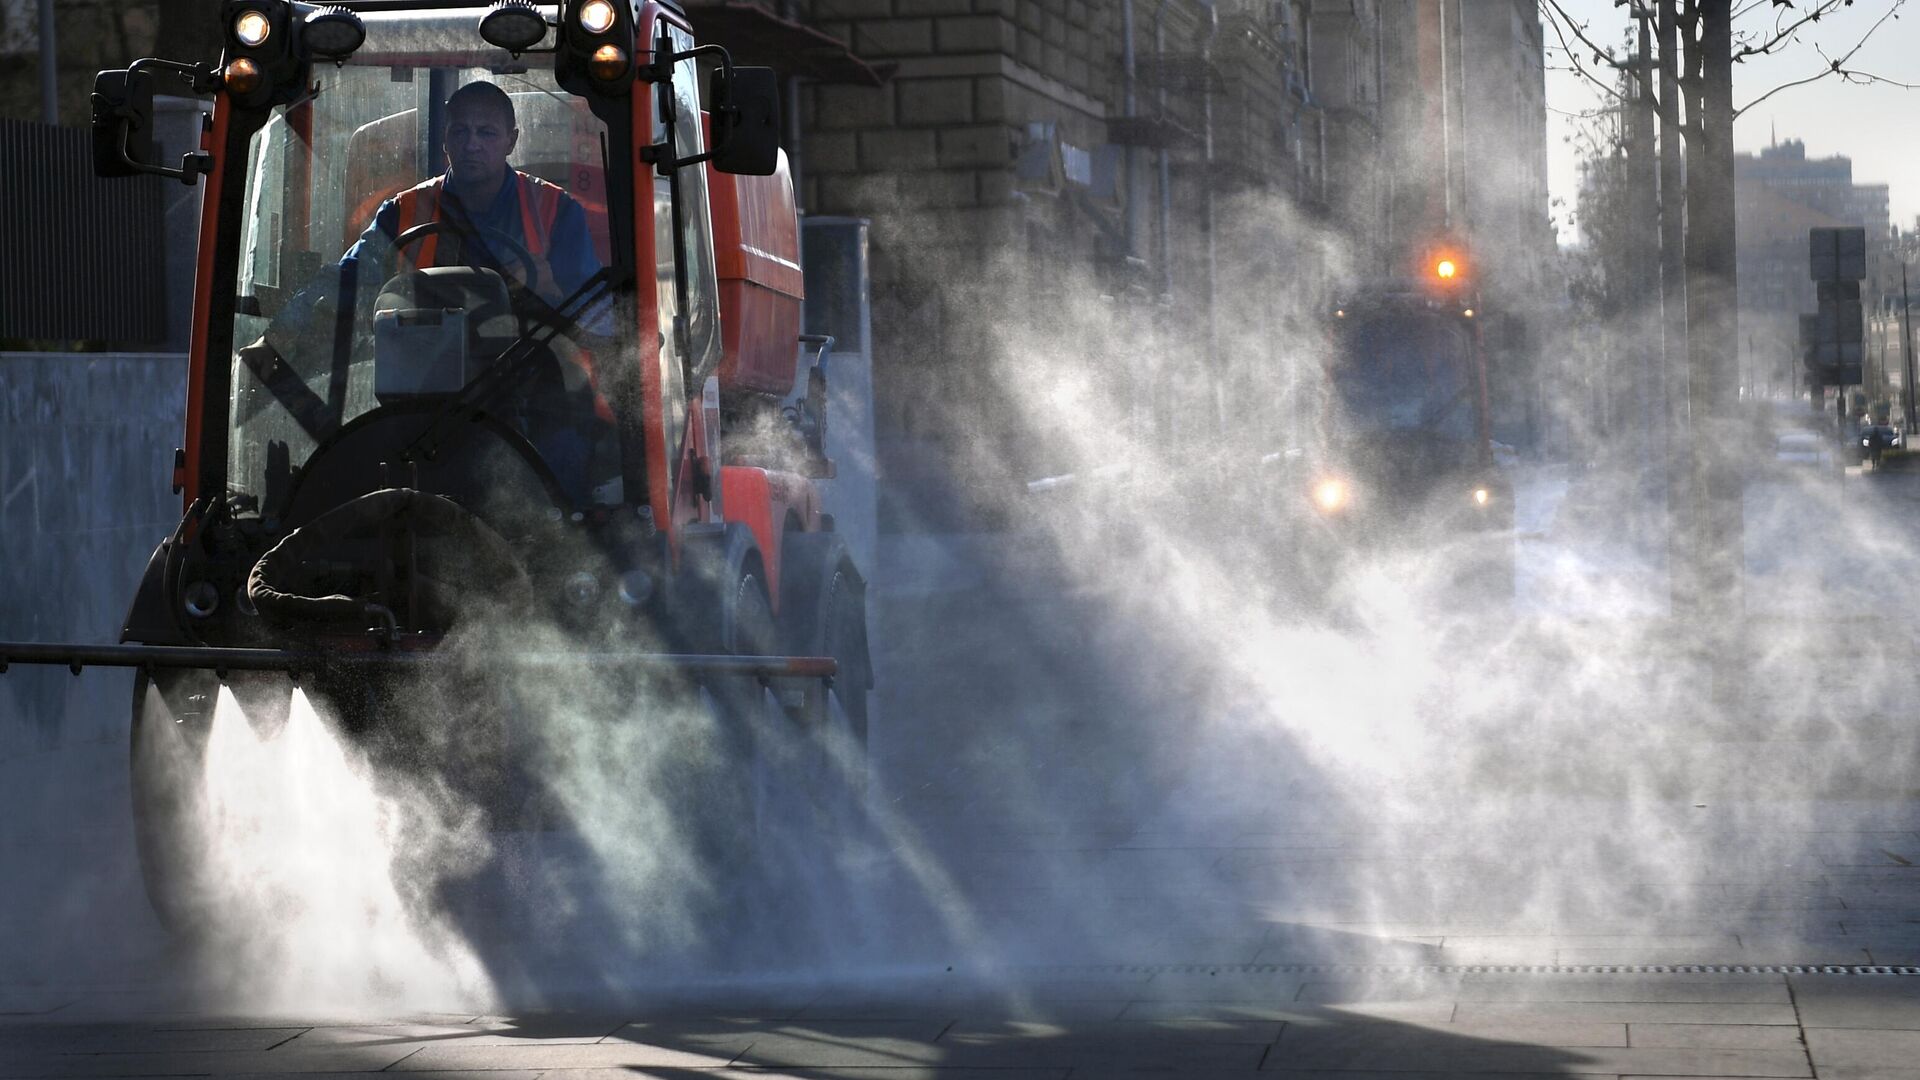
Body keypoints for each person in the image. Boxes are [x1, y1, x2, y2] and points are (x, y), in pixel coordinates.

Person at [347, 80, 602, 309]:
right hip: (426, 356)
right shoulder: (401, 213)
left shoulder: (557, 211)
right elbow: (345, 282)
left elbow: (594, 315)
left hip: (527, 356)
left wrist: (547, 294)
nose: (471, 145)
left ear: (511, 141)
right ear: (445, 139)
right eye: (460, 131)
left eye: (486, 132)